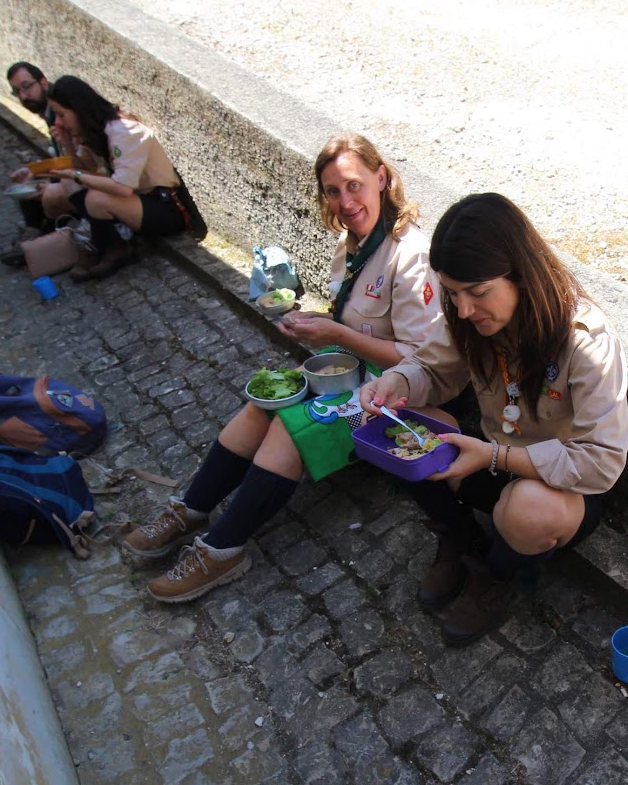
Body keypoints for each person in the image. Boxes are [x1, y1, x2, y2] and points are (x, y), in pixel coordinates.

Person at [127, 134, 442, 600]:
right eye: (333, 191)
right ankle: (190, 508)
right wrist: (315, 323)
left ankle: (221, 550)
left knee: (288, 428)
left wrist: (336, 335)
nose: (345, 202)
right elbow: (352, 320)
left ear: (381, 178)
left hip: (396, 395)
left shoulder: (411, 256)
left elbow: (420, 360)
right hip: (352, 373)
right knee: (264, 405)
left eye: (353, 185)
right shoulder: (353, 242)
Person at [360, 193, 628, 645]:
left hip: (563, 485)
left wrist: (494, 456)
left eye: (478, 292)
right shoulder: (467, 314)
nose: (464, 309)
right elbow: (431, 370)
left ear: (519, 274)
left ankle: (496, 573)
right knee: (396, 426)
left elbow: (600, 462)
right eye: (452, 293)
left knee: (526, 511)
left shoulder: (585, 342)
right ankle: (460, 536)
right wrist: (396, 383)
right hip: (490, 455)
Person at [41, 75, 189, 281]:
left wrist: (76, 175)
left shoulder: (123, 132)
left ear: (78, 109)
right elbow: (85, 167)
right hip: (135, 203)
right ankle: (106, 241)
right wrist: (67, 145)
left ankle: (114, 248)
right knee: (70, 183)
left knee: (95, 197)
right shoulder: (95, 132)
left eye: (61, 115)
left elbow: (122, 188)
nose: (58, 122)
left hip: (165, 207)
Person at [0, 62, 80, 265]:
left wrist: (53, 183)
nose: (24, 96)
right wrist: (34, 170)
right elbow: (66, 160)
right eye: (17, 91)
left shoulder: (59, 112)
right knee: (28, 185)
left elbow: (80, 162)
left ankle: (42, 243)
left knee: (47, 193)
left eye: (27, 87)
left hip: (92, 180)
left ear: (43, 82)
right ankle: (35, 236)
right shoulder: (49, 113)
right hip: (77, 172)